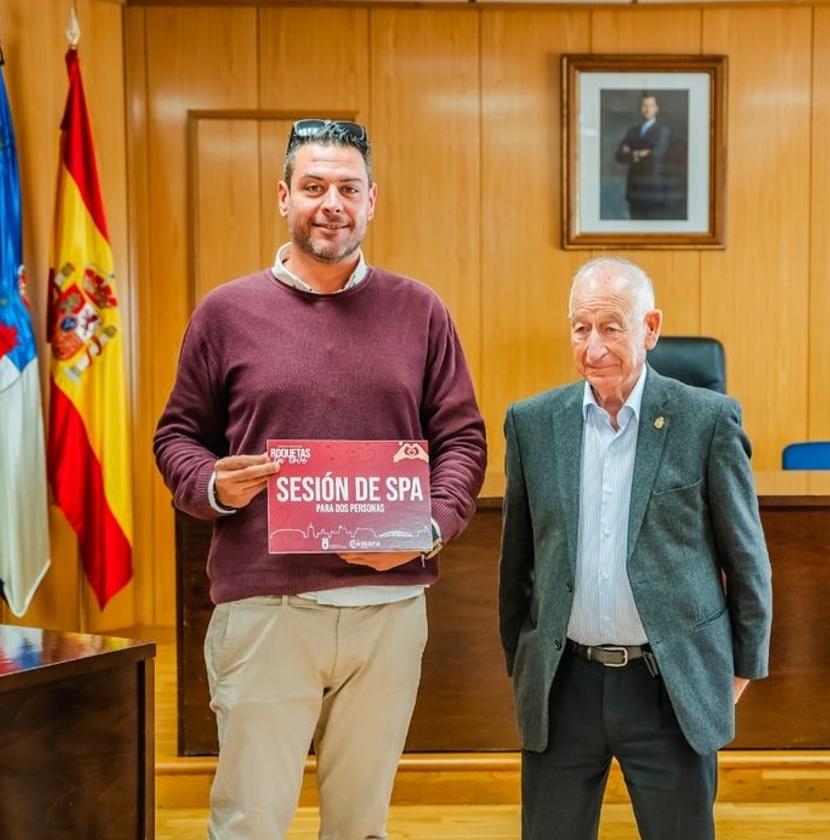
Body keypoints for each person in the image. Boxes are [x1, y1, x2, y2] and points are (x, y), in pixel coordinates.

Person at [153, 118, 487, 840]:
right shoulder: (225, 313)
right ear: (283, 197)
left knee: (361, 827)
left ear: (372, 201)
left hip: (389, 615)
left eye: (347, 188)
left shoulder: (420, 311)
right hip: (267, 608)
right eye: (313, 187)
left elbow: (461, 439)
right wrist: (213, 482)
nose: (330, 203)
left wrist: (428, 528)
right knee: (250, 822)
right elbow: (176, 436)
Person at [498, 256, 772, 839]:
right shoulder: (531, 423)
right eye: (580, 327)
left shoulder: (707, 420)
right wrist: (527, 663)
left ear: (649, 328)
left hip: (667, 685)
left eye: (611, 326)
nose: (593, 346)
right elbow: (515, 567)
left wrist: (738, 672)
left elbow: (746, 561)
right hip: (564, 684)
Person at [614, 93, 671, 220]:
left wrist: (631, 152)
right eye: (644, 106)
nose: (647, 109)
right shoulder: (632, 131)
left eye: (651, 106)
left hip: (653, 191)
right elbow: (619, 156)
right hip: (634, 191)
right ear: (640, 108)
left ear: (656, 108)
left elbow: (655, 156)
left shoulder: (662, 130)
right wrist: (640, 152)